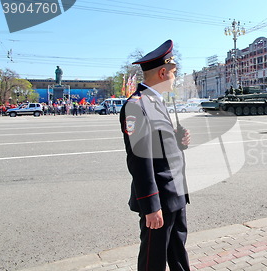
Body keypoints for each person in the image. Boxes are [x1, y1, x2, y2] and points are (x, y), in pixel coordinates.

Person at [120, 39, 191, 271]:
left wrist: (179, 143)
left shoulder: (156, 101)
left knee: (178, 253)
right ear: (162, 72)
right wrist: (151, 205)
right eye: (173, 72)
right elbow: (139, 160)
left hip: (175, 192)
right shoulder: (137, 105)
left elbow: (159, 145)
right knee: (153, 260)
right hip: (159, 198)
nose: (175, 77)